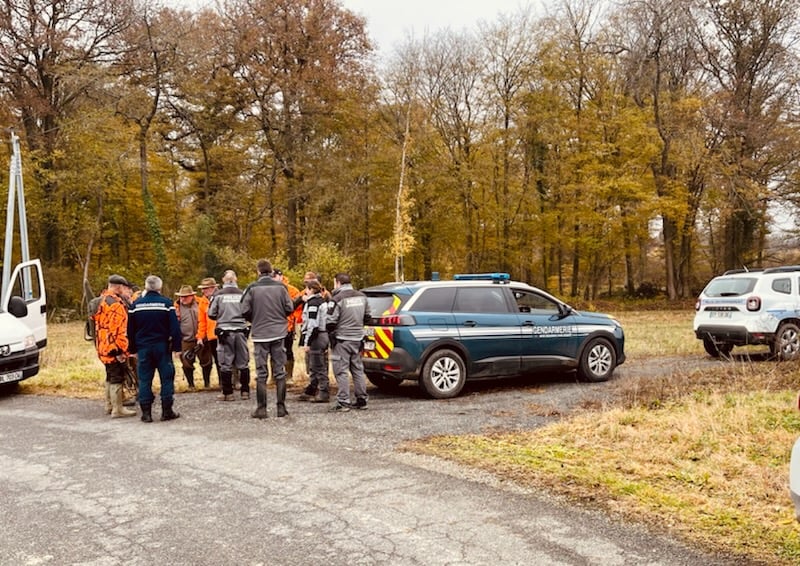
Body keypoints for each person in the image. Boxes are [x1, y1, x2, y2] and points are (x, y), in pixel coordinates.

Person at [241, 259, 295, 418]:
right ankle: (281, 407)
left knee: (261, 372)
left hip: (260, 334)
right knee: (280, 371)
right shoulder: (281, 287)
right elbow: (289, 308)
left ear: (258, 272)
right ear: (271, 272)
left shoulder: (252, 288)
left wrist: (255, 318)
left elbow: (243, 309)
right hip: (279, 333)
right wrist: (279, 318)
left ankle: (262, 408)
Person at [128, 275, 183, 423]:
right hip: (162, 347)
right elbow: (175, 328)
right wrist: (177, 348)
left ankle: (146, 413)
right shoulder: (166, 304)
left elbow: (130, 330)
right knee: (166, 378)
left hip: (143, 348)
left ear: (146, 287)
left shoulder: (135, 305)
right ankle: (167, 411)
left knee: (145, 379)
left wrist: (132, 349)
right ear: (160, 287)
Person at [92, 274, 136, 418]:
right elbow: (118, 330)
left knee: (110, 375)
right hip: (113, 347)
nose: (125, 290)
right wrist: (122, 350)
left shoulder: (101, 301)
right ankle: (118, 409)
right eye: (123, 287)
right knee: (117, 376)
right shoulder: (116, 305)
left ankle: (109, 405)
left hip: (103, 346)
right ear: (118, 287)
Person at [326, 273, 371, 412]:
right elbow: (368, 317)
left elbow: (330, 321)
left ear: (338, 283)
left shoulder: (337, 299)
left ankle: (343, 401)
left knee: (341, 371)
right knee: (357, 370)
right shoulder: (362, 296)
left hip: (342, 340)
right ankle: (362, 400)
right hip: (358, 339)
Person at [208, 270, 251, 401]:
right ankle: (245, 391)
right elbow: (249, 311)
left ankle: (228, 393)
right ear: (236, 279)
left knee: (225, 363)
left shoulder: (218, 295)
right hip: (241, 331)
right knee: (243, 362)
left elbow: (211, 313)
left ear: (223, 280)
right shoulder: (243, 294)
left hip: (225, 332)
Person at [298, 280, 331, 403]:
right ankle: (312, 388)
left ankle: (323, 392)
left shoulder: (313, 303)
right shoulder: (321, 301)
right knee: (314, 364)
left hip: (317, 336)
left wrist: (307, 341)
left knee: (318, 365)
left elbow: (312, 324)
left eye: (306, 288)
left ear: (311, 289)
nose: (305, 291)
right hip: (322, 335)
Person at [273, 268, 302, 385]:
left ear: (281, 276)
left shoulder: (292, 290)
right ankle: (274, 377)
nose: (274, 279)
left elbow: (297, 308)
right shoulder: (270, 289)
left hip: (288, 326)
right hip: (273, 325)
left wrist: (292, 320)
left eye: (275, 276)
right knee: (273, 351)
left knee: (288, 351)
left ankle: (289, 376)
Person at [174, 284, 201, 391]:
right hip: (185, 339)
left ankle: (208, 384)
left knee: (206, 362)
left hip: (201, 338)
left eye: (185, 296)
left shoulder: (200, 304)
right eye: (181, 296)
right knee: (186, 364)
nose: (183, 299)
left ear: (192, 296)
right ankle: (191, 385)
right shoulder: (176, 307)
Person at [197, 277, 220, 389]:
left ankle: (226, 384)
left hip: (223, 334)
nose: (203, 291)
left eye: (205, 288)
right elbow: (202, 321)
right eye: (203, 289)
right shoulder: (202, 301)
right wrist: (200, 337)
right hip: (211, 336)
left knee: (224, 362)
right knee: (216, 360)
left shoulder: (220, 297)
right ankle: (221, 384)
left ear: (213, 288)